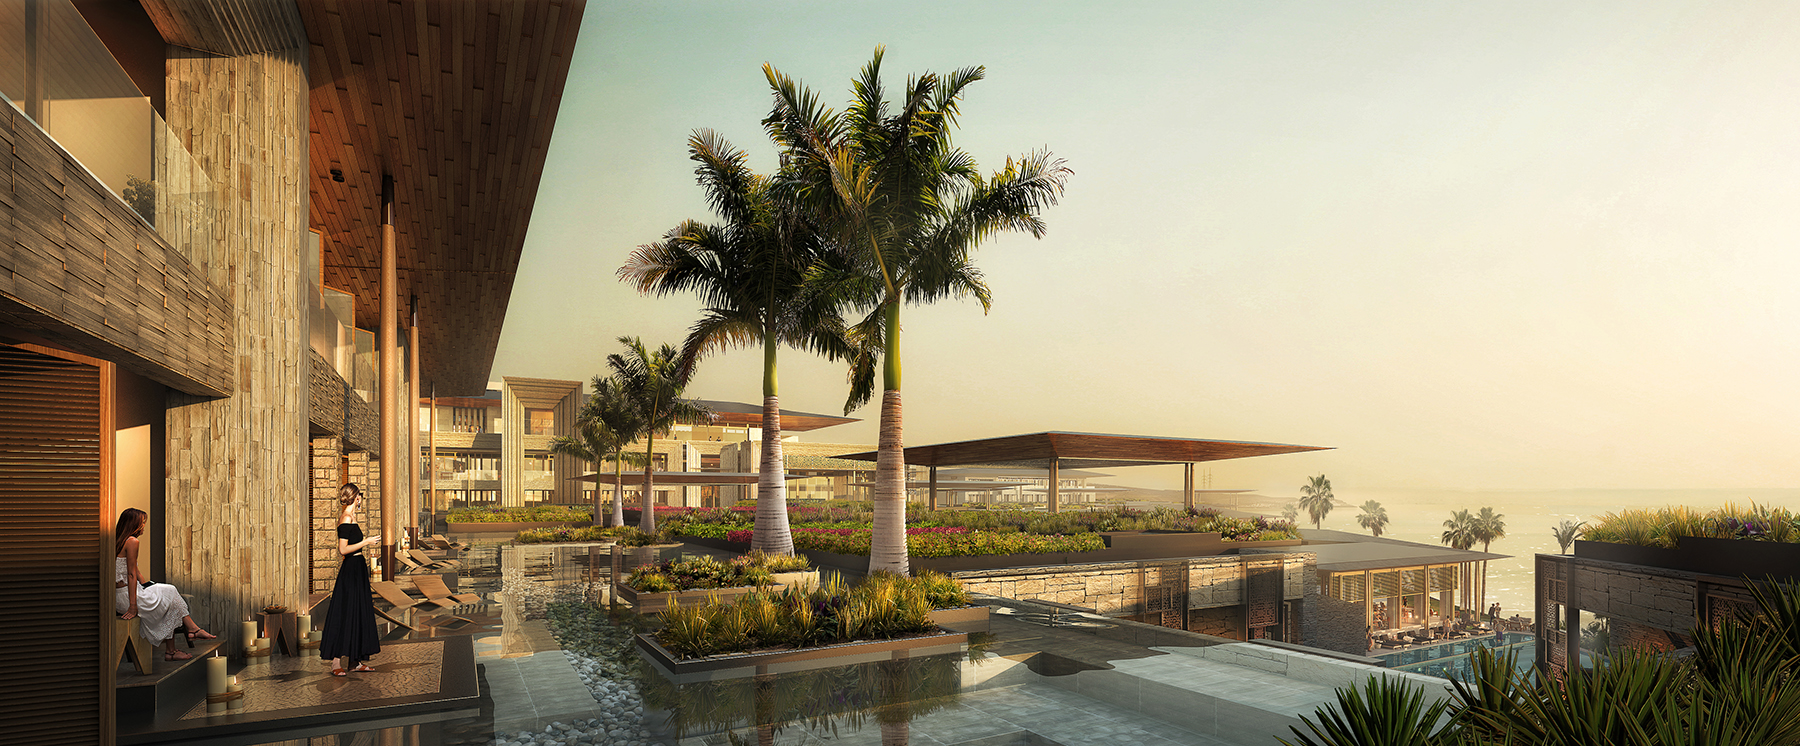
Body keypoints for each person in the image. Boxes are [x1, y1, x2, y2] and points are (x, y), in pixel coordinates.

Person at [113, 508, 216, 660]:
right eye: (142, 523)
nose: (143, 526)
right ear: (133, 524)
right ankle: (187, 635)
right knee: (171, 593)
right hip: (128, 598)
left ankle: (176, 647)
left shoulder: (116, 541)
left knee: (169, 597)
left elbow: (134, 569)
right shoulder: (132, 541)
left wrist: (148, 585)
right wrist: (133, 606)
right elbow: (131, 574)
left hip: (118, 598)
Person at [320, 483, 382, 676]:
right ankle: (336, 663)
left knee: (358, 612)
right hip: (350, 570)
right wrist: (366, 541)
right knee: (345, 612)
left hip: (358, 569)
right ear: (355, 497)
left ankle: (355, 661)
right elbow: (343, 549)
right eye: (359, 496)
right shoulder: (346, 518)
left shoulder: (352, 517)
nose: (361, 499)